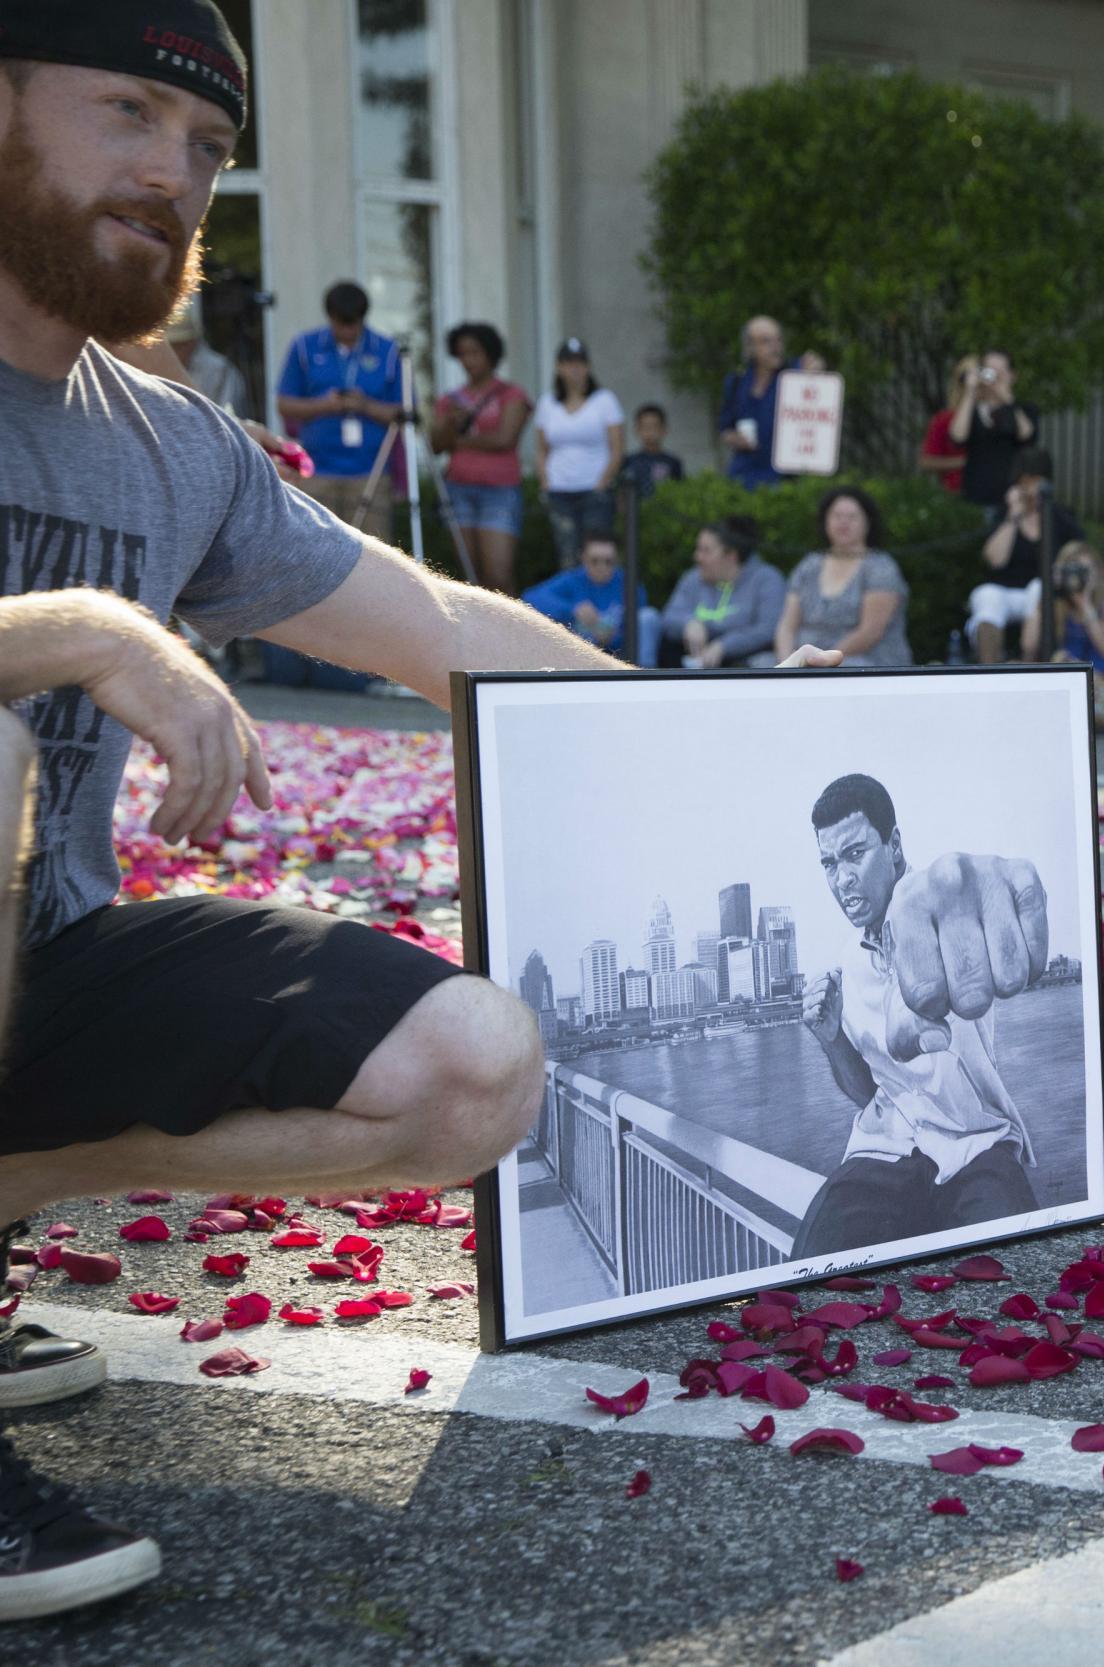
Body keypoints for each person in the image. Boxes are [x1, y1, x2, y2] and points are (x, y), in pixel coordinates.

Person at [0, 15, 833, 1617]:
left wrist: (728, 734)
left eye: (208, 147)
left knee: (472, 1067)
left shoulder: (172, 447)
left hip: (44, 964)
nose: (172, 173)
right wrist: (87, 634)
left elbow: (444, 628)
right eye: (127, 110)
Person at [786, 774, 1044, 1254]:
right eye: (829, 862)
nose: (842, 879)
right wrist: (831, 1037)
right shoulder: (849, 962)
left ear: (895, 845)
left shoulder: (936, 908)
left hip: (974, 1143)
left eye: (856, 854)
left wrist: (985, 898)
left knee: (1020, 1275)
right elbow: (867, 1091)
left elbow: (957, 894)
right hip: (885, 1151)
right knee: (810, 1269)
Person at [273, 278, 402, 538]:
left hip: (370, 473)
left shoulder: (388, 350)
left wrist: (365, 405)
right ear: (329, 317)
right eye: (341, 324)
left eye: (353, 324)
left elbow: (403, 413)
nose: (348, 331)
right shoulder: (304, 347)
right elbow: (284, 404)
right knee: (318, 556)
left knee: (376, 560)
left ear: (363, 318)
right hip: (317, 471)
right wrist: (323, 405)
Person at [427, 321, 530, 594]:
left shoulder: (511, 395)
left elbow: (504, 439)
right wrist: (450, 422)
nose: (468, 360)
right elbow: (435, 446)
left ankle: (511, 631)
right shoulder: (450, 400)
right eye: (462, 354)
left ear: (491, 354)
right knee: (468, 574)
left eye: (475, 352)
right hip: (458, 489)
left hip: (500, 492)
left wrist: (459, 441)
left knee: (498, 573)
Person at [776, 486, 911, 669]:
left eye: (852, 517)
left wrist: (821, 661)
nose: (843, 522)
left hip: (862, 662)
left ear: (867, 523)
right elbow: (787, 626)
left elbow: (870, 632)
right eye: (837, 516)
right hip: (804, 662)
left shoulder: (881, 568)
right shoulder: (809, 565)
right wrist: (787, 664)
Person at [971, 447, 1082, 663]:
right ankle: (989, 669)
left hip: (1043, 594)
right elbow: (995, 560)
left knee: (1038, 588)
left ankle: (1028, 665)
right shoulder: (1002, 513)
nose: (1030, 488)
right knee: (986, 596)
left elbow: (1079, 554)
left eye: (1036, 481)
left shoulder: (1060, 517)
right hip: (1005, 590)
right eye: (1026, 481)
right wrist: (1014, 515)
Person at [533, 336, 624, 570]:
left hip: (595, 492)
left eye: (580, 363)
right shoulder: (547, 403)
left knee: (599, 555)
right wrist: (545, 483)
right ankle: (574, 607)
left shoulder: (605, 400)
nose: (574, 369)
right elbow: (542, 449)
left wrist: (601, 484)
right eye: (568, 363)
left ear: (588, 367)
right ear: (558, 367)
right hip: (559, 492)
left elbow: (617, 448)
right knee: (567, 557)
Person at [658, 515, 788, 669]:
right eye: (698, 549)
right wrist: (689, 623)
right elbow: (668, 616)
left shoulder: (767, 580)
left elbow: (767, 629)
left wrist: (724, 646)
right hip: (690, 664)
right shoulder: (693, 577)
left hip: (743, 668)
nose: (697, 557)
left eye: (706, 551)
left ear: (731, 556)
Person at [521, 533, 658, 666]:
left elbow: (641, 624)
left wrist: (614, 636)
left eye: (608, 562)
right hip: (578, 657)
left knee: (649, 616)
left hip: (623, 658)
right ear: (583, 558)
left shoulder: (628, 584)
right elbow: (530, 597)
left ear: (617, 560)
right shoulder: (572, 579)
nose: (601, 567)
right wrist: (573, 609)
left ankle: (644, 675)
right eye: (594, 561)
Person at [1045, 542, 1104, 732]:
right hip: (1068, 681)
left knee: (1075, 673)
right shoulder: (1059, 604)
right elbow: (1028, 645)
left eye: (1086, 571)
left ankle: (1098, 715)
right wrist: (1047, 592)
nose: (1080, 578)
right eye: (1074, 571)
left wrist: (1085, 605)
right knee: (1060, 662)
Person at [948, 348, 1036, 513]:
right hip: (975, 497)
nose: (994, 378)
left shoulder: (1024, 410)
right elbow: (957, 438)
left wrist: (1008, 400)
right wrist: (970, 391)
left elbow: (1028, 437)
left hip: (1012, 499)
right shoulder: (971, 411)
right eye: (989, 372)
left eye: (1000, 373)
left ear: (1012, 376)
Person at [716, 315, 795, 489]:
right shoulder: (736, 381)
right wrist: (735, 438)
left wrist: (815, 372)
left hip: (786, 480)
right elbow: (725, 427)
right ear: (750, 347)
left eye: (778, 340)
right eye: (766, 341)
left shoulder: (796, 376)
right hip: (743, 475)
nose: (775, 347)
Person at [162, 296, 244, 413]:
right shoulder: (159, 368)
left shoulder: (219, 370)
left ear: (192, 342)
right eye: (171, 346)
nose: (174, 352)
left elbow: (228, 416)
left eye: (179, 346)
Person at [918, 355, 976, 493]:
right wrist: (964, 462)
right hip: (959, 492)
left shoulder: (999, 417)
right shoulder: (944, 420)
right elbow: (926, 461)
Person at [619, 402, 684, 500]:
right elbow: (621, 493)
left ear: (663, 430)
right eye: (645, 427)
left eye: (654, 427)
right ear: (637, 430)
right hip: (635, 513)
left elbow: (680, 491)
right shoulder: (629, 461)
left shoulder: (673, 462)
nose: (650, 432)